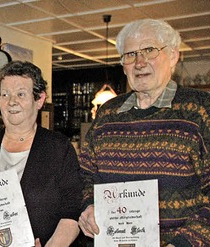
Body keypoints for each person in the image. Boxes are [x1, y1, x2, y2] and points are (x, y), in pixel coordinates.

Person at [78, 19, 210, 247]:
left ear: (173, 56)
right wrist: (87, 205)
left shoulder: (201, 109)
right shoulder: (107, 113)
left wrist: (183, 243)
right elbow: (85, 175)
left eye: (149, 50)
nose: (139, 62)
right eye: (130, 55)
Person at [0, 61, 83, 246]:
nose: (11, 101)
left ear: (39, 100)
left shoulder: (59, 149)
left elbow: (72, 211)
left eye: (20, 94)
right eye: (5, 94)